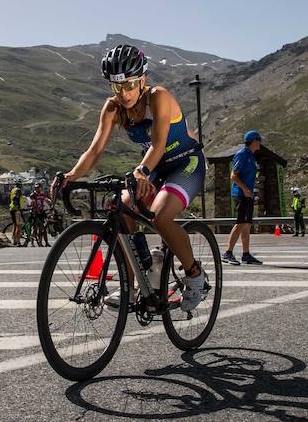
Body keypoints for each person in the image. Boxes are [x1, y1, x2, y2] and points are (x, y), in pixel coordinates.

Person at [52, 44, 207, 312]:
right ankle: (136, 287)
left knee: (160, 216)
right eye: (117, 87)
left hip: (184, 163)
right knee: (123, 207)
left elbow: (158, 145)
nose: (124, 94)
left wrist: (142, 171)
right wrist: (71, 175)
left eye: (131, 85)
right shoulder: (113, 108)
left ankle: (195, 275)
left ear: (143, 79)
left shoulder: (158, 97)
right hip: (153, 167)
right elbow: (95, 150)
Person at [221, 131, 264, 265]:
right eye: (259, 140)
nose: (260, 142)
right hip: (241, 194)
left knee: (246, 224)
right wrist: (245, 189)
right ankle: (227, 253)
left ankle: (246, 254)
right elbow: (233, 175)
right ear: (253, 141)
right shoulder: (242, 154)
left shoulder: (251, 155)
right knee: (240, 223)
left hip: (248, 194)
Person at [29, 181, 51, 247]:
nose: (37, 189)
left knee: (43, 228)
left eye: (38, 187)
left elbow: (46, 201)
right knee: (35, 228)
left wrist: (50, 206)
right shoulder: (33, 195)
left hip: (42, 212)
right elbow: (32, 204)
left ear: (41, 188)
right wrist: (36, 210)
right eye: (36, 188)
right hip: (35, 213)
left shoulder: (43, 194)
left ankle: (45, 242)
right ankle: (32, 243)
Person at [9, 179, 24, 246]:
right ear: (20, 185)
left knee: (15, 225)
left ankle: (14, 240)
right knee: (19, 226)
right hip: (16, 210)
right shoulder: (18, 190)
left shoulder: (13, 190)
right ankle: (18, 242)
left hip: (12, 209)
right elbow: (15, 199)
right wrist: (18, 208)